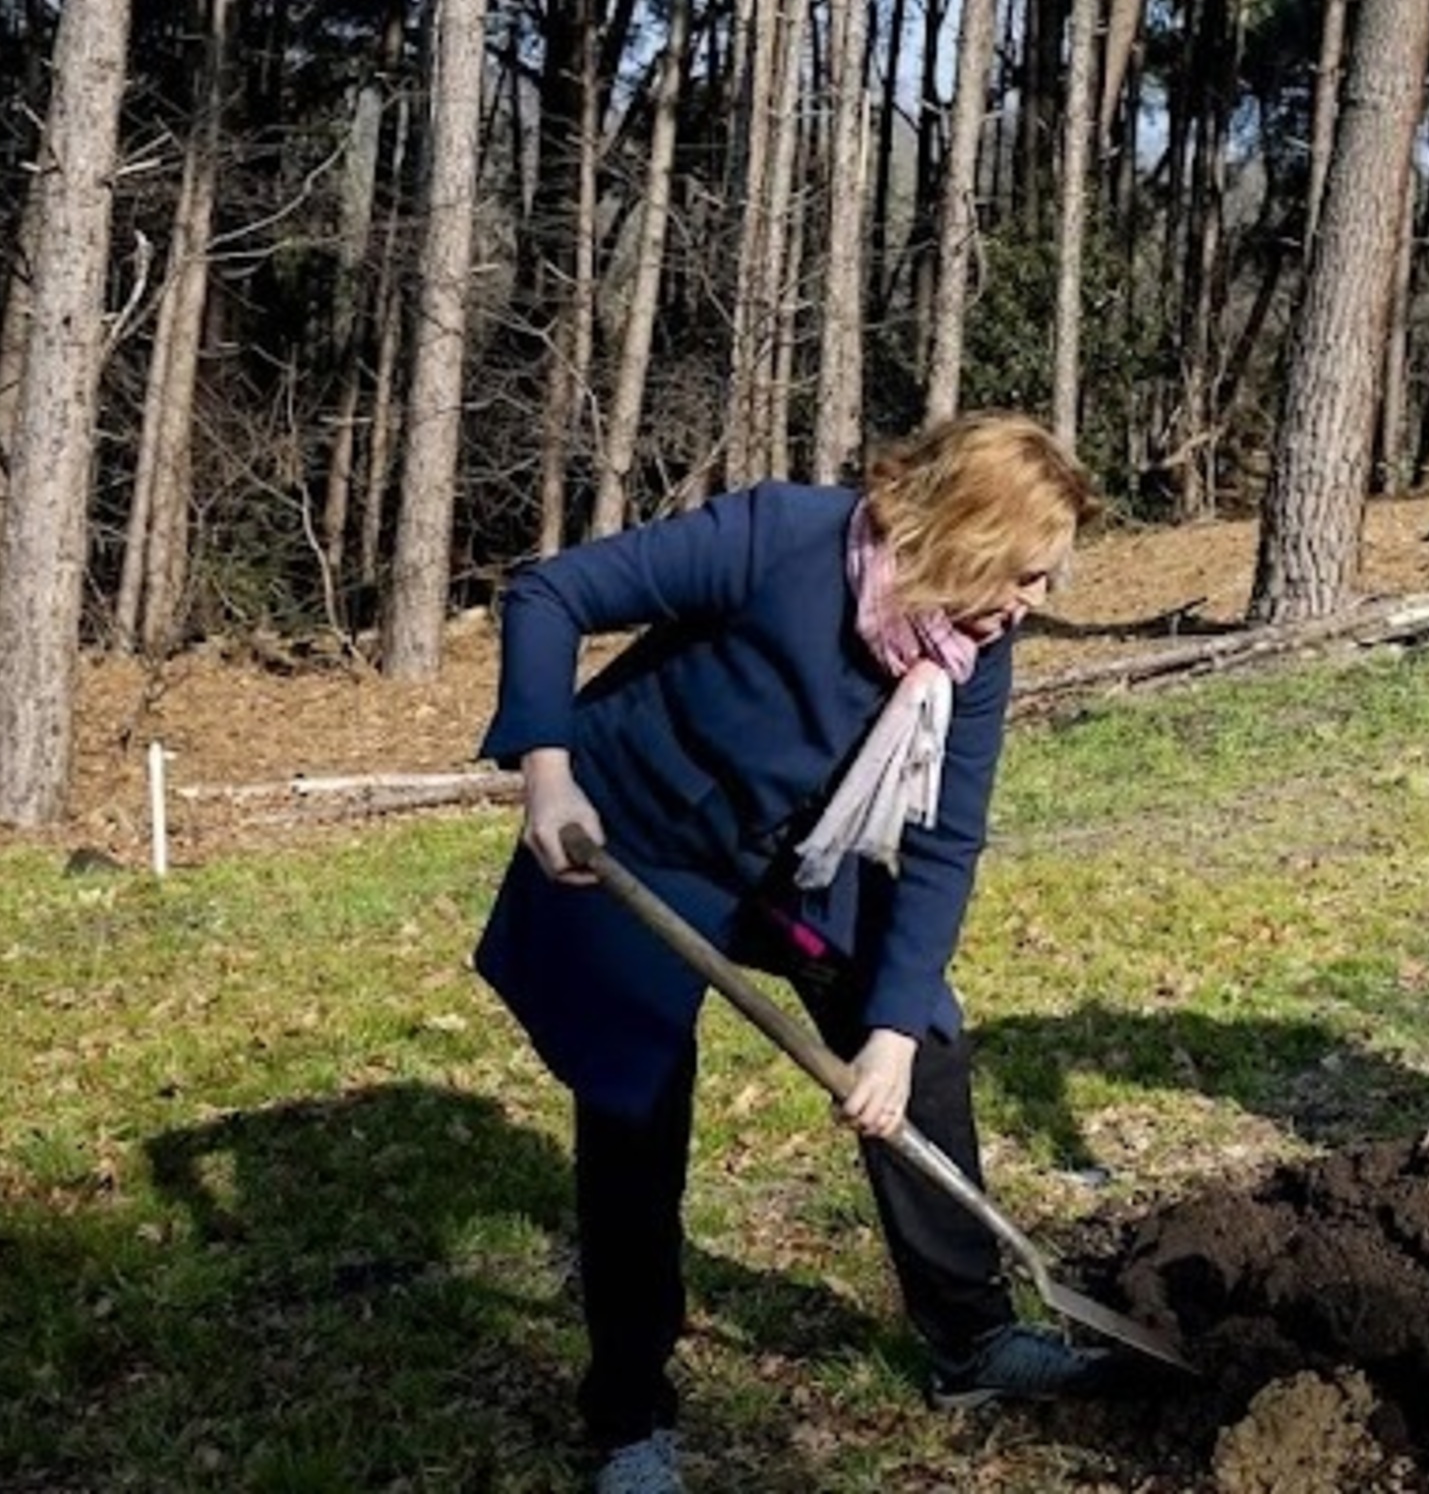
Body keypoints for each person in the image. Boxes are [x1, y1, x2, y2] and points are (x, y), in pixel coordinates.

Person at [471, 413, 1107, 1494]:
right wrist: (548, 772)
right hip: (635, 839)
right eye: (1027, 572)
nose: (1037, 600)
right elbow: (550, 593)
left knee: (924, 1036)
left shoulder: (971, 647)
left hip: (800, 863)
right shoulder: (782, 537)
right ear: (963, 533)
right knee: (636, 1108)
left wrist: (889, 1034)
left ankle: (971, 1339)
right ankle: (630, 1417)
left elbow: (946, 841)